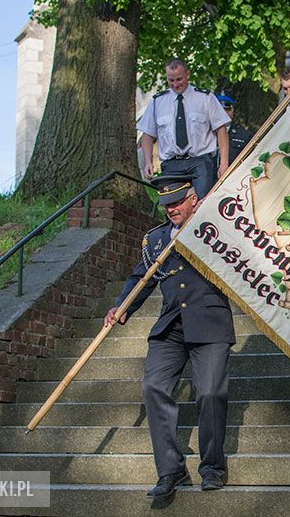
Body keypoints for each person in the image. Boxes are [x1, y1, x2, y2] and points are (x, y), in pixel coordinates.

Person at [104, 173, 235, 499]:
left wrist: (211, 218)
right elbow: (141, 278)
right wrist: (122, 307)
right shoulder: (157, 238)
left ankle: (212, 469)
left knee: (209, 394)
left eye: (177, 202)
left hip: (209, 323)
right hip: (171, 327)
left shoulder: (214, 226)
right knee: (153, 386)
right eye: (166, 204)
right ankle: (170, 470)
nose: (171, 209)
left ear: (193, 198)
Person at [138, 58, 230, 199]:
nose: (176, 84)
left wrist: (224, 163)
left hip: (200, 162)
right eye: (171, 80)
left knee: (201, 204)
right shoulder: (158, 102)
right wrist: (148, 161)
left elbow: (221, 130)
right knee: (173, 206)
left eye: (179, 79)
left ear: (187, 74)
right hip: (171, 164)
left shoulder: (205, 98)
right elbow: (147, 134)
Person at [216, 94, 252, 165]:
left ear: (233, 111)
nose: (224, 113)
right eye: (219, 110)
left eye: (227, 109)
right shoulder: (201, 135)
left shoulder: (244, 136)